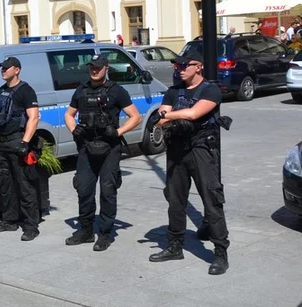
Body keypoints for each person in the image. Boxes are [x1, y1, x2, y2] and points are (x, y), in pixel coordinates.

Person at [149, 50, 230, 275]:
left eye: (186, 65)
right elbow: (159, 121)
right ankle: (175, 246)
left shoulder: (210, 89)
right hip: (176, 151)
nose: (181, 69)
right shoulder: (173, 92)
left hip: (201, 150)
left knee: (211, 200)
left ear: (199, 67)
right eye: (178, 66)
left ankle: (220, 253)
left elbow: (194, 114)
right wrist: (165, 117)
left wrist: (167, 116)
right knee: (175, 201)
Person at [63, 55, 141, 251]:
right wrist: (74, 129)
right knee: (84, 190)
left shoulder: (116, 91)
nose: (94, 70)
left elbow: (136, 117)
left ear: (106, 68)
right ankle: (86, 231)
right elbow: (68, 114)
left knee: (108, 191)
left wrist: (117, 132)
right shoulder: (81, 91)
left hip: (109, 147)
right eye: (91, 67)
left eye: (98, 67)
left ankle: (105, 233)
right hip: (87, 146)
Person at [0, 57, 41, 241]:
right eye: (2, 68)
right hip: (1, 143)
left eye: (7, 68)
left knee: (25, 186)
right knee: (6, 184)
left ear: (17, 70)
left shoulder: (26, 91)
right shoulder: (1, 91)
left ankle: (31, 226)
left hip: (17, 142)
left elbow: (34, 117)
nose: (3, 70)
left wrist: (25, 142)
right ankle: (9, 220)